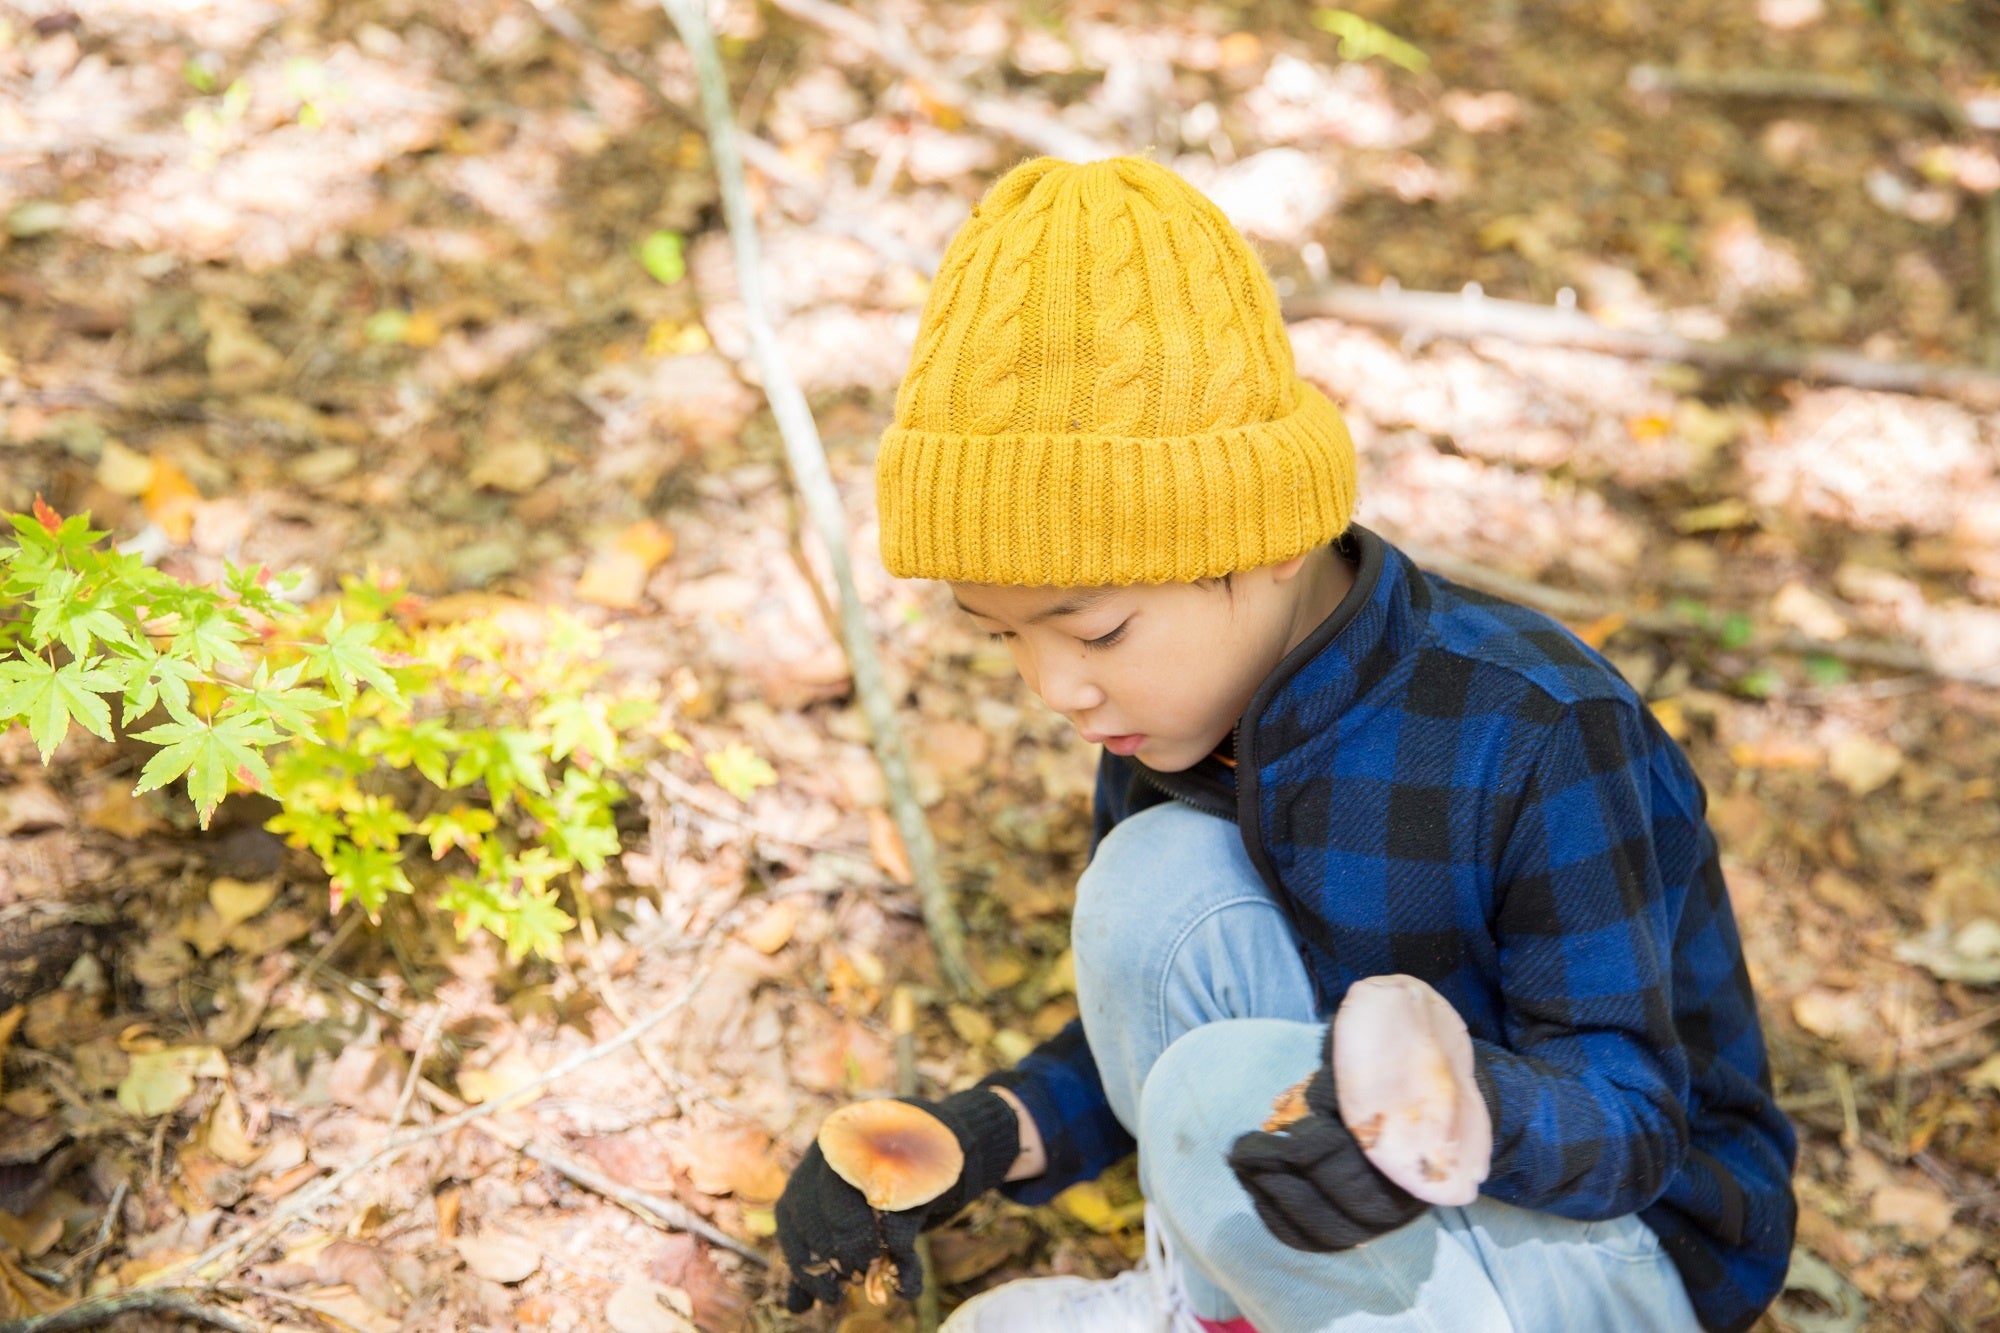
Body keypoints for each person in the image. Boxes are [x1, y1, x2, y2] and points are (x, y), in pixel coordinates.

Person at [774, 154, 1796, 1333]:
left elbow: (1629, 1121)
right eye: (1001, 634)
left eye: (1093, 625)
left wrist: (1447, 1118)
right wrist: (977, 1135)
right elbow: (1170, 1039)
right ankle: (1227, 1308)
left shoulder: (1535, 734)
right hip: (1362, 1218)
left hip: (1609, 1249)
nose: (1054, 685)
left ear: (1262, 537)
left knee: (1219, 1090)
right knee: (1149, 887)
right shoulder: (1171, 706)